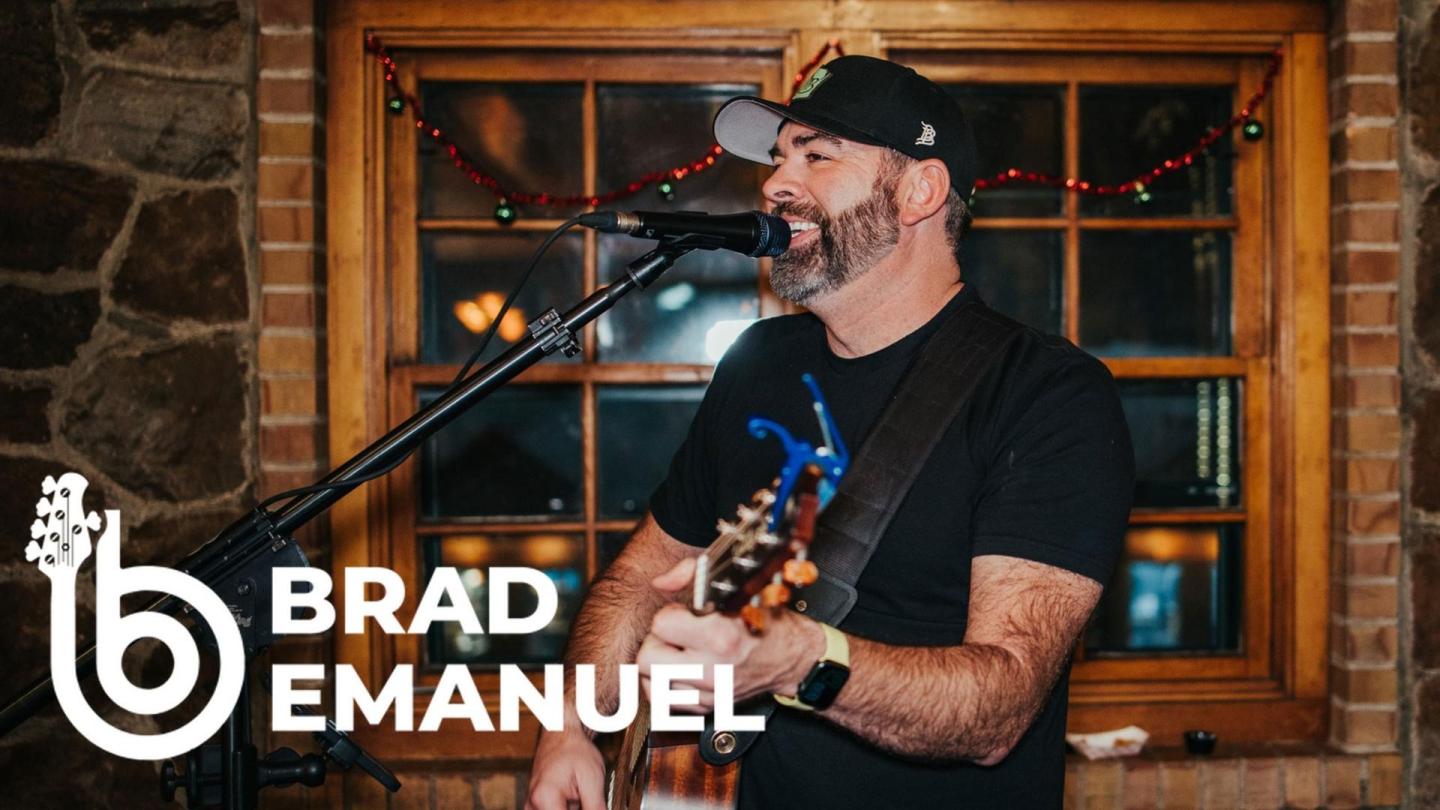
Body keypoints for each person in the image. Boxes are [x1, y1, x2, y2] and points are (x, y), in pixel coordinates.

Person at [525, 55, 1134, 809]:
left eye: (818, 155)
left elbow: (1000, 707)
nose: (778, 182)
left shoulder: (1046, 394)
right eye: (780, 157)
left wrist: (800, 662)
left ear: (920, 191)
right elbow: (637, 584)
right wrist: (570, 728)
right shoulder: (759, 362)